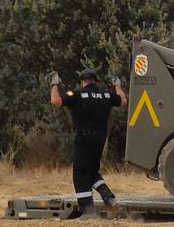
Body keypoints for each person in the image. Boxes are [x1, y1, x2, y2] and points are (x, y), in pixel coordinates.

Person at [49, 68, 127, 218]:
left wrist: (54, 84)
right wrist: (117, 85)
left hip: (83, 139)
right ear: (95, 81)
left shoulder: (77, 94)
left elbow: (55, 101)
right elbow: (123, 100)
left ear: (81, 82)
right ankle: (109, 199)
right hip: (100, 140)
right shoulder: (105, 94)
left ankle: (88, 210)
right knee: (91, 172)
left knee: (80, 174)